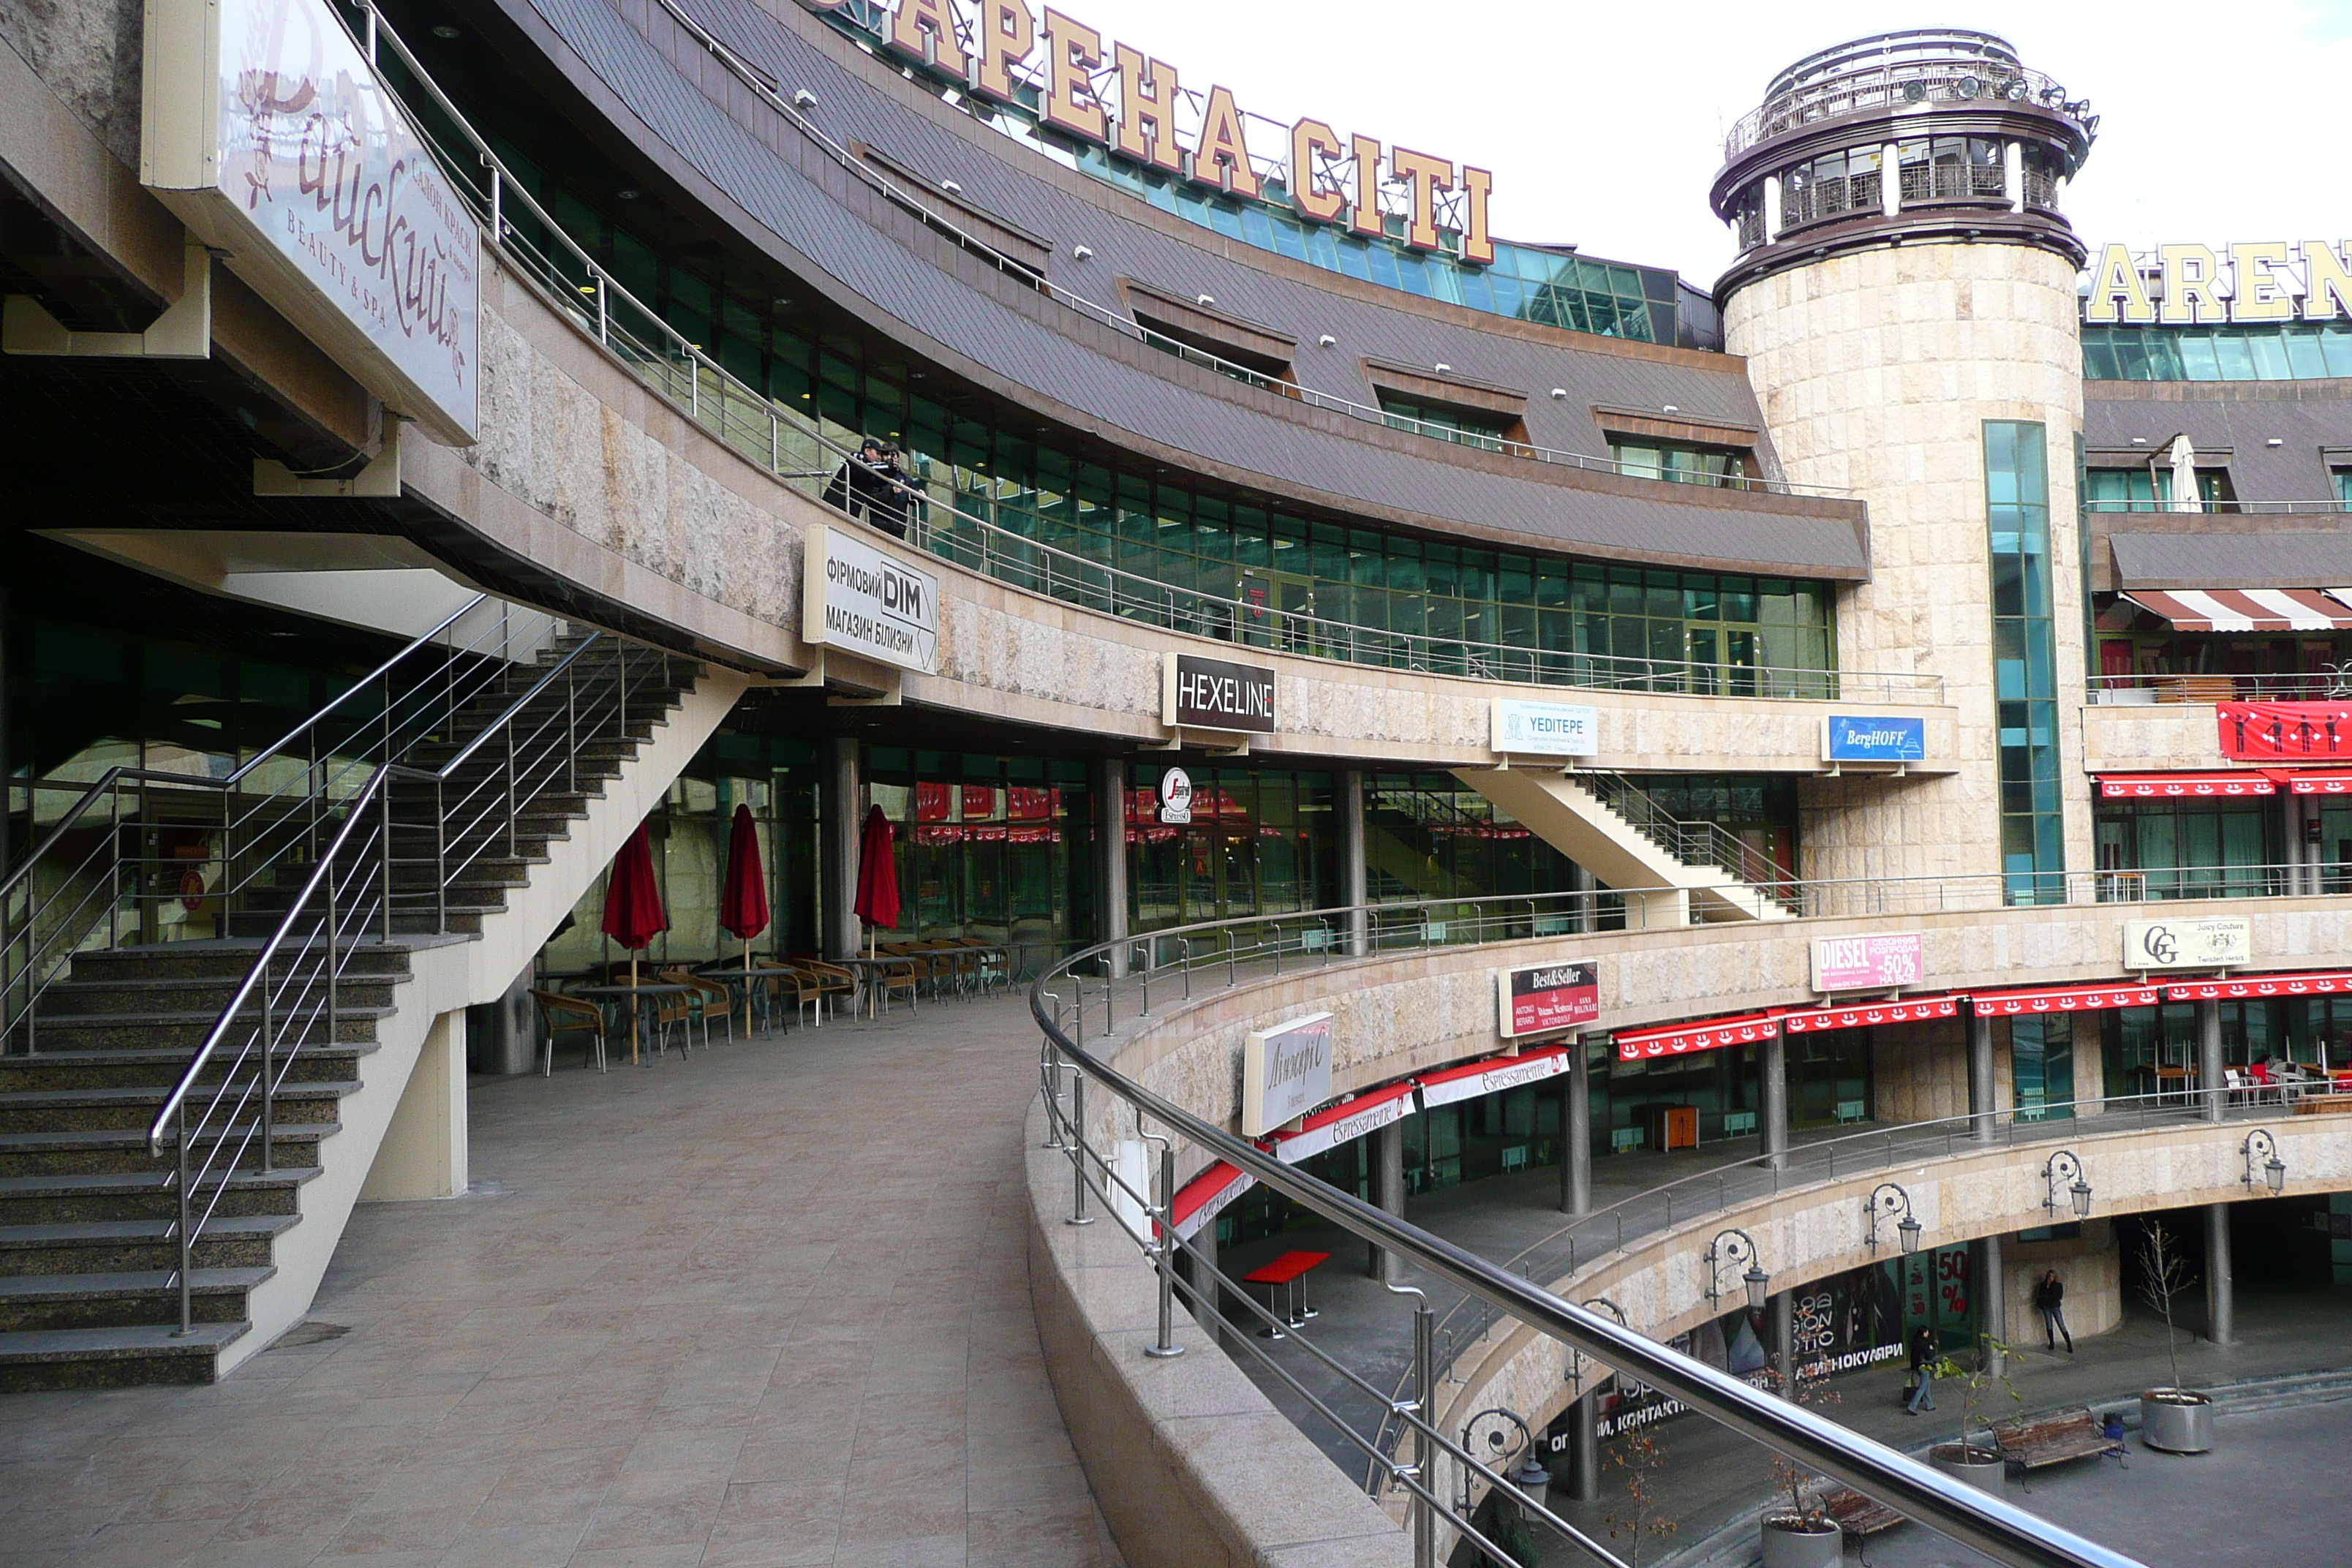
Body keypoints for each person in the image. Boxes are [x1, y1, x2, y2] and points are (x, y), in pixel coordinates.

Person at [2034, 1267, 2073, 1353]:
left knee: (2061, 1324)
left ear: (2055, 1277)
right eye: (2049, 1276)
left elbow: (2058, 1296)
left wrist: (2049, 1297)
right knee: (2049, 1325)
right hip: (2046, 1307)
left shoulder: (2058, 1285)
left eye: (2052, 1277)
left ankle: (2068, 1343)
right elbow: (2041, 1295)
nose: (2050, 1278)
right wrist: (2047, 1289)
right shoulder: (2044, 1285)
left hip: (2055, 1307)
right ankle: (2052, 1343)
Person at [1904, 1324, 1937, 1414]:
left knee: (1926, 1384)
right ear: (1924, 1333)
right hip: (1924, 1366)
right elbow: (1929, 1355)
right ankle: (1912, 1406)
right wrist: (1932, 1349)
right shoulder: (1925, 1343)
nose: (1928, 1333)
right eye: (1926, 1332)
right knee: (1923, 1386)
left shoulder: (1915, 1342)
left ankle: (1929, 1405)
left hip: (1917, 1366)